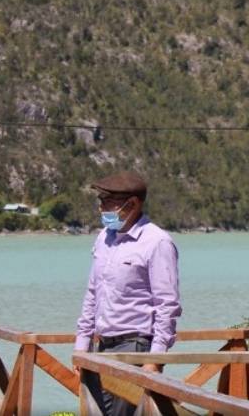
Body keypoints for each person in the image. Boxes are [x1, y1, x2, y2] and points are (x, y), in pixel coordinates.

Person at [74, 171, 182, 416]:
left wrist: (155, 359)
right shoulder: (104, 238)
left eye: (107, 202)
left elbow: (167, 305)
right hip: (100, 348)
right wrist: (81, 346)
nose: (101, 209)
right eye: (100, 202)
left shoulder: (157, 242)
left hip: (135, 347)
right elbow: (93, 293)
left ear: (132, 204)